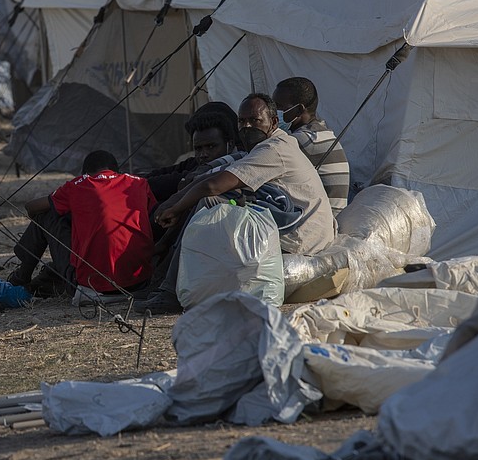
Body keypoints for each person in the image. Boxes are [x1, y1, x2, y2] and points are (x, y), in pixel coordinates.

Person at [135, 94, 336, 314]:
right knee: (216, 199)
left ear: (274, 123)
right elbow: (218, 173)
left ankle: (169, 292)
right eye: (242, 121)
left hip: (301, 235)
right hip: (291, 218)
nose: (247, 126)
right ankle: (165, 274)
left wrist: (175, 207)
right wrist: (176, 198)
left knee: (211, 200)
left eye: (255, 121)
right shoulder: (268, 146)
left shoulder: (274, 149)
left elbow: (213, 186)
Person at [9, 150, 156, 298]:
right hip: (140, 282)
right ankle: (42, 281)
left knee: (45, 215)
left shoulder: (79, 185)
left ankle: (21, 278)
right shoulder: (139, 183)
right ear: (116, 171)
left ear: (85, 173)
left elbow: (32, 207)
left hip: (91, 287)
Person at [273, 77, 350, 215]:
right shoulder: (322, 132)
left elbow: (261, 159)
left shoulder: (306, 140)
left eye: (279, 107)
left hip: (325, 220)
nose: (274, 112)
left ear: (298, 110)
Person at [145, 110, 237, 203]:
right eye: (198, 148)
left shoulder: (235, 167)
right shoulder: (194, 163)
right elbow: (165, 173)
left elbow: (175, 181)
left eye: (211, 147)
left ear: (230, 145)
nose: (203, 154)